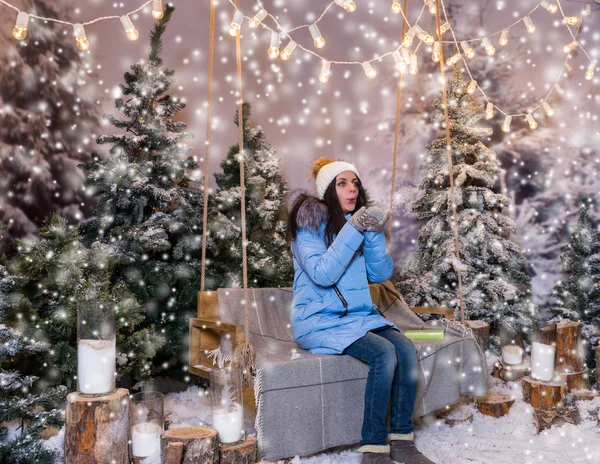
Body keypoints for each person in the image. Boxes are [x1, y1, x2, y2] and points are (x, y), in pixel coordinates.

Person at [286, 157, 435, 464]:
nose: (352, 189)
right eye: (342, 184)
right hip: (318, 321)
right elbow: (323, 274)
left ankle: (402, 439)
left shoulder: (357, 224)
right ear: (328, 191)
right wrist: (354, 228)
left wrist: (374, 233)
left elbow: (380, 275)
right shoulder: (308, 229)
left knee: (405, 349)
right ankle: (374, 447)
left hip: (356, 318)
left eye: (354, 183)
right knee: (384, 353)